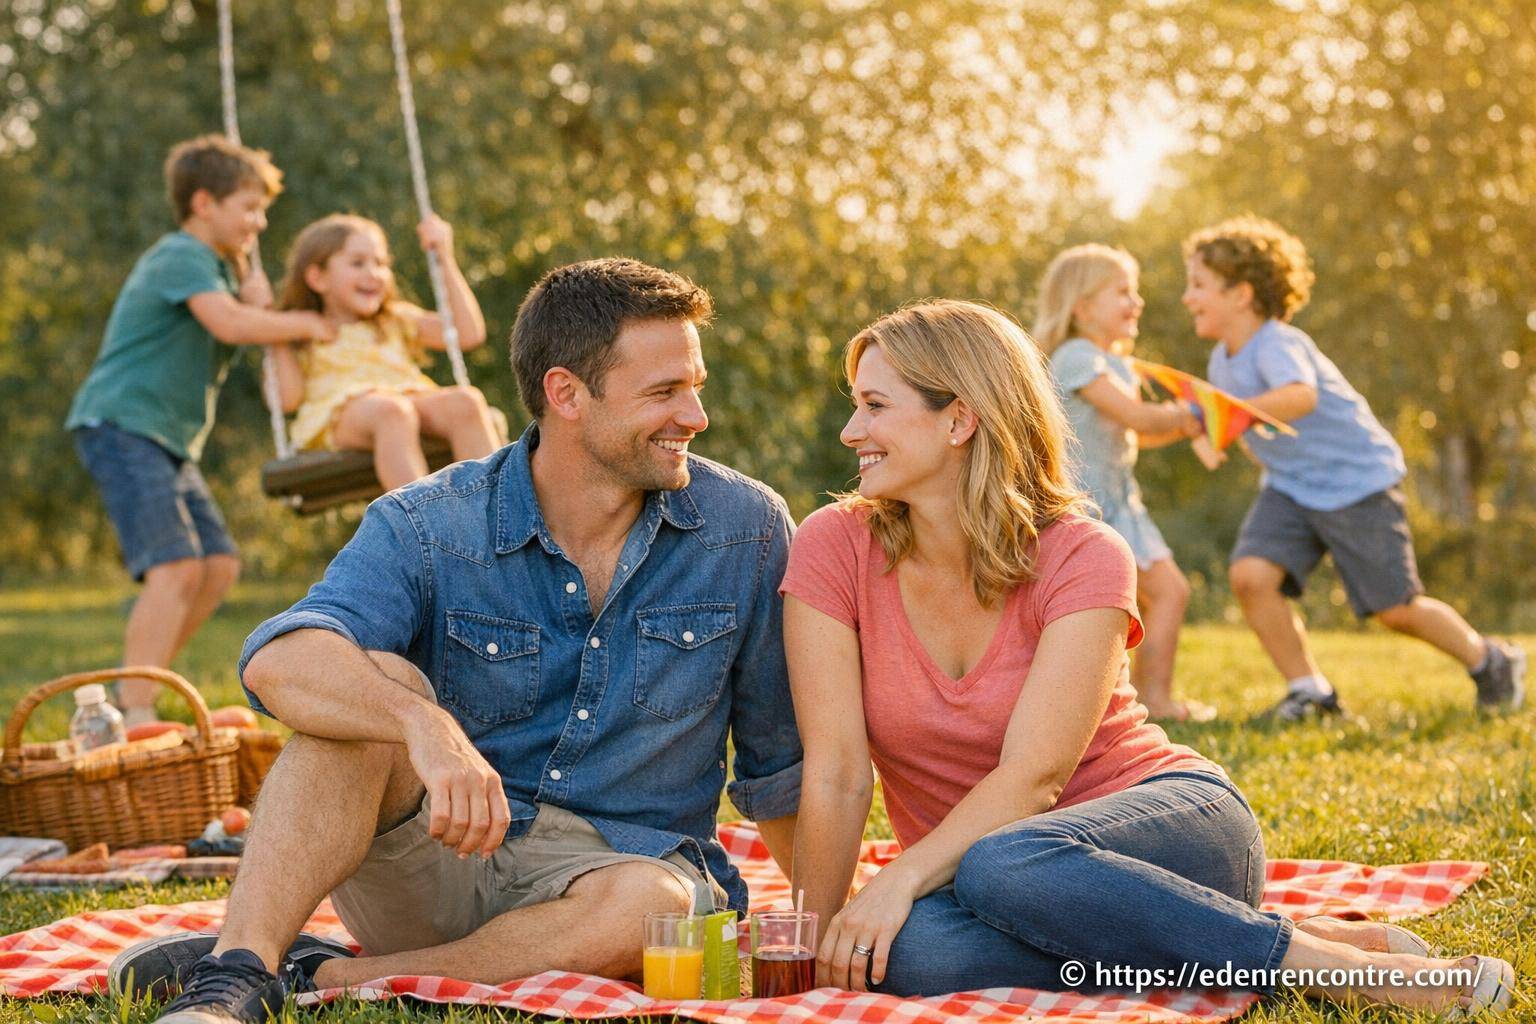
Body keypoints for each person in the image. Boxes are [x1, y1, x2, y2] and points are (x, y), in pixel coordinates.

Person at [110, 258, 802, 1024]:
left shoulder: (746, 528)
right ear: (566, 394)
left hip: (617, 882)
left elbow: (781, 766)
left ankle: (317, 975)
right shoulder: (431, 520)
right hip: (439, 858)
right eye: (665, 392)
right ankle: (234, 975)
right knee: (365, 679)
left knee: (656, 903)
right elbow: (281, 658)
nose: (696, 415)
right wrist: (421, 723)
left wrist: (823, 927)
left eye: (694, 384)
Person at [781, 299, 1514, 1015]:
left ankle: (1334, 966)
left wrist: (899, 877)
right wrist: (809, 950)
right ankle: (1216, 941)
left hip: (1166, 829)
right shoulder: (832, 546)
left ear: (960, 419)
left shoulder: (1084, 554)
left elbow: (1035, 778)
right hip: (975, 879)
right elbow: (840, 771)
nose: (852, 431)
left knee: (1002, 863)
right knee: (908, 958)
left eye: (875, 405)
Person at [1183, 216, 1526, 721]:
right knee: (1251, 577)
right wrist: (1216, 435)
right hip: (1291, 488)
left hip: (1356, 483)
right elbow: (1250, 430)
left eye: (1198, 286)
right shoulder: (1220, 361)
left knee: (1395, 608)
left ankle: (1490, 660)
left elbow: (1300, 396)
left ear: (1242, 294)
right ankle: (1310, 692)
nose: (1188, 298)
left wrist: (1230, 418)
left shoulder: (1279, 342)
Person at [65, 134, 333, 727]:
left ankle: (143, 680)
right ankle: (134, 708)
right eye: (249, 207)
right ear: (204, 203)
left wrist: (256, 303)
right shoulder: (180, 255)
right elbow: (230, 325)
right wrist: (297, 321)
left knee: (216, 566)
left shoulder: (214, 268)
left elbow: (239, 318)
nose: (258, 222)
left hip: (165, 440)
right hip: (122, 422)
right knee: (177, 567)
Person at [1035, 244, 1213, 722]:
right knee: (1162, 593)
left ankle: (1135, 697)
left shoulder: (1112, 363)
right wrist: (1184, 413)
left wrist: (1182, 427)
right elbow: (1135, 416)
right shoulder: (1076, 356)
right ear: (1083, 306)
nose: (1136, 302)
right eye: (1122, 292)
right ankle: (1146, 698)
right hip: (1086, 507)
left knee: (1156, 596)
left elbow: (1131, 432)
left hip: (1120, 504)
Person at [269, 213, 500, 490]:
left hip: (406, 398)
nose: (373, 273)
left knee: (467, 401)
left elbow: (468, 333)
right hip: (344, 414)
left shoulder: (394, 320)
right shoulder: (305, 329)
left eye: (380, 263)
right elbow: (288, 399)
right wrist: (275, 331)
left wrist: (444, 259)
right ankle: (423, 525)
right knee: (392, 412)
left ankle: (495, 516)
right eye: (358, 263)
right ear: (318, 278)